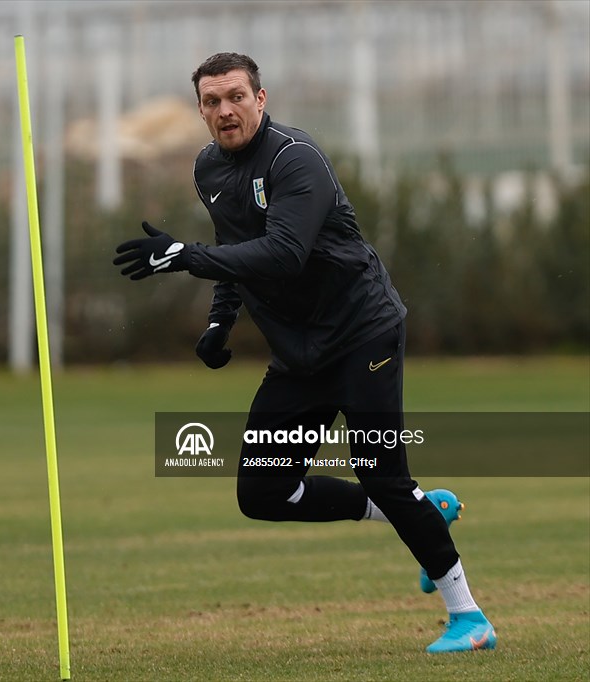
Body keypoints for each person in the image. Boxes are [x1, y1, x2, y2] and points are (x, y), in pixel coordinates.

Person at [113, 52, 495, 654]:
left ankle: (469, 618)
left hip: (362, 334)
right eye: (211, 102)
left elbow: (284, 252)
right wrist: (220, 319)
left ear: (261, 100)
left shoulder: (297, 160)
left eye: (236, 96)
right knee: (261, 490)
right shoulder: (208, 167)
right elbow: (233, 250)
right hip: (300, 353)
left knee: (381, 471)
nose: (225, 110)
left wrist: (185, 256)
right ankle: (420, 511)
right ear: (201, 111)